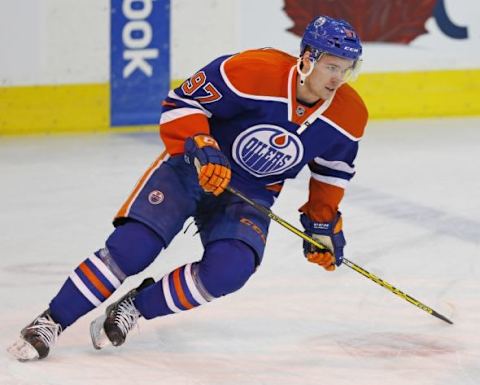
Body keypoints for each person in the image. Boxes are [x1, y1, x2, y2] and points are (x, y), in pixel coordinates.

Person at [8, 15, 368, 361]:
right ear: (307, 58)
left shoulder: (349, 114)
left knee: (231, 269)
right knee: (134, 247)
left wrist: (322, 222)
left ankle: (135, 305)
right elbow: (182, 102)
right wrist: (202, 145)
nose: (338, 78)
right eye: (331, 66)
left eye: (346, 68)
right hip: (192, 168)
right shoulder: (252, 71)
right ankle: (51, 322)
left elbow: (332, 170)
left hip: (252, 192)